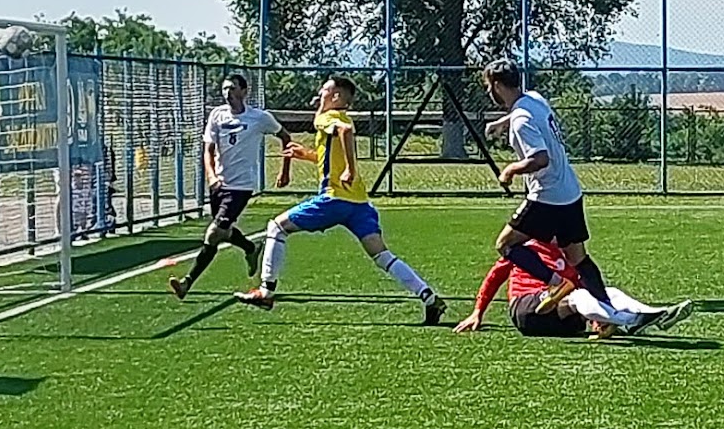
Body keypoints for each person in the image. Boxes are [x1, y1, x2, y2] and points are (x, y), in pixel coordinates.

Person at [234, 76, 447, 325]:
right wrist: (308, 155)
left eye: (324, 89)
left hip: (335, 199)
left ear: (335, 97)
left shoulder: (327, 117)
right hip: (359, 203)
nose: (319, 93)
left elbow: (346, 133)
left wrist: (350, 169)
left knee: (277, 226)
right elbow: (330, 156)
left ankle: (266, 291)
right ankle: (429, 297)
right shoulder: (340, 117)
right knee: (382, 256)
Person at [481, 59, 616, 315]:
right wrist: (502, 123)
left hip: (547, 196)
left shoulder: (521, 121)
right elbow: (524, 113)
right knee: (579, 258)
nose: (489, 92)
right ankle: (608, 313)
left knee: (506, 245)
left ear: (497, 85)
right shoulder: (534, 98)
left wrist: (509, 170)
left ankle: (556, 284)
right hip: (570, 191)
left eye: (489, 86)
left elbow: (540, 158)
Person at [168, 74, 293, 299]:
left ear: (245, 91)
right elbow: (208, 150)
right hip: (219, 184)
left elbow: (285, 136)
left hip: (241, 186)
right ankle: (250, 248)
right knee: (222, 232)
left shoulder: (259, 118)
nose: (227, 93)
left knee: (214, 233)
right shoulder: (217, 115)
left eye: (233, 88)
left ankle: (187, 283)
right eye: (225, 88)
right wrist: (212, 176)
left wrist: (285, 170)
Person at [453, 239, 694, 340]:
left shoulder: (569, 256)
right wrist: (478, 312)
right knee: (575, 292)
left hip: (564, 321)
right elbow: (495, 276)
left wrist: (594, 322)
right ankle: (630, 321)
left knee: (605, 291)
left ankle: (656, 313)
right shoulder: (526, 247)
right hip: (527, 310)